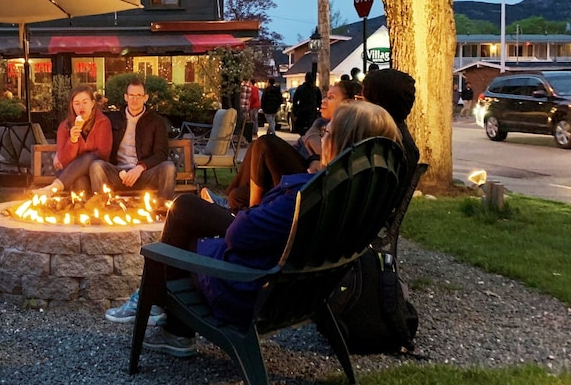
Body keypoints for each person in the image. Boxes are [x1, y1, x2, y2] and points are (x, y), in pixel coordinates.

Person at [142, 101, 403, 356]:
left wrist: (255, 210)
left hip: (248, 289)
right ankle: (155, 304)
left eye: (326, 132)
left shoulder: (305, 199)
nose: (322, 137)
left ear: (341, 143)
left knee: (183, 213)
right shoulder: (360, 198)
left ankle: (172, 324)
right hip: (306, 292)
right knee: (190, 209)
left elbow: (238, 236)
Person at [215, 78, 362, 212]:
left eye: (331, 97)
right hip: (292, 173)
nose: (323, 101)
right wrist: (314, 153)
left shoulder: (344, 130)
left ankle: (253, 212)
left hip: (306, 182)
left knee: (265, 143)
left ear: (348, 103)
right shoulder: (320, 123)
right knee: (237, 195)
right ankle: (231, 205)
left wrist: (315, 156)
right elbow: (309, 139)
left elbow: (328, 156)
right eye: (325, 96)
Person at [89, 78, 176, 202]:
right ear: (125, 97)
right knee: (96, 166)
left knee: (169, 167)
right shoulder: (113, 119)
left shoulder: (156, 121)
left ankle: (163, 208)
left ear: (145, 98)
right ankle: (101, 206)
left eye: (139, 96)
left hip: (144, 174)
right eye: (131, 95)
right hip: (118, 173)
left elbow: (161, 154)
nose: (134, 100)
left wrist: (140, 167)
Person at [35, 85, 112, 196]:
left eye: (85, 102)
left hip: (96, 170)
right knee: (80, 181)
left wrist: (82, 160)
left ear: (92, 103)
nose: (81, 107)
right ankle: (84, 206)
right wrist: (73, 141)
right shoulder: (64, 127)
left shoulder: (103, 122)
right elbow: (63, 161)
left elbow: (104, 154)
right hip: (70, 174)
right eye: (77, 103)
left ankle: (54, 187)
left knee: (89, 158)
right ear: (72, 106)